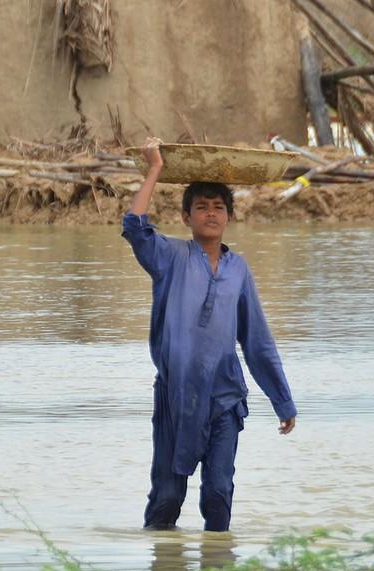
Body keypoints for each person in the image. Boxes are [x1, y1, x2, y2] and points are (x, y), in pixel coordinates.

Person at [122, 137, 297, 532]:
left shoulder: (239, 271)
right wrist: (154, 169)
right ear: (186, 218)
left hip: (224, 398)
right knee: (166, 497)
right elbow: (134, 227)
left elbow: (257, 343)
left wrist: (282, 400)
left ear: (229, 218)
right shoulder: (169, 257)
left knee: (218, 494)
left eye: (219, 207)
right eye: (201, 207)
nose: (211, 213)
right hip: (176, 396)